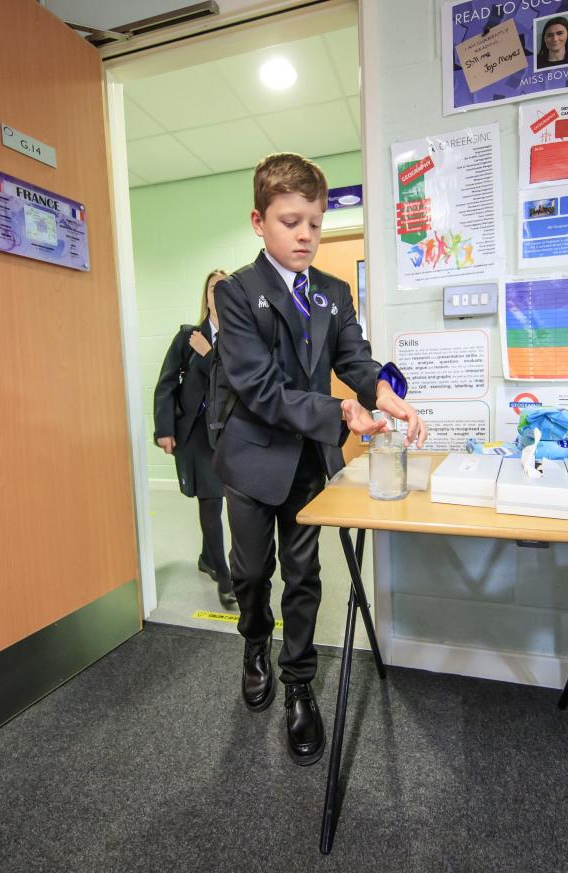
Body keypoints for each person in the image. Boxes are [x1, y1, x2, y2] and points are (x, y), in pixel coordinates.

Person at [213, 152, 427, 766]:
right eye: (289, 221)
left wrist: (383, 395)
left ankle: (299, 683)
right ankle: (255, 642)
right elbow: (258, 388)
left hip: (307, 464)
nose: (305, 233)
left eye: (314, 220)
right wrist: (340, 414)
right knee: (253, 574)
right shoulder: (236, 294)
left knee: (304, 577)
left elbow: (353, 361)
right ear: (259, 221)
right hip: (253, 464)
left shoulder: (333, 292)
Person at [153, 269, 236, 609]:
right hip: (196, 432)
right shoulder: (188, 337)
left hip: (230, 432)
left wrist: (209, 355)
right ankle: (225, 576)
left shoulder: (240, 339)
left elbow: (238, 380)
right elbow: (166, 383)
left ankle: (207, 556)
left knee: (230, 500)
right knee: (210, 499)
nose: (220, 294)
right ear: (206, 297)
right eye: (215, 288)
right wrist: (164, 429)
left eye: (227, 289)